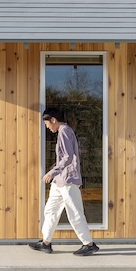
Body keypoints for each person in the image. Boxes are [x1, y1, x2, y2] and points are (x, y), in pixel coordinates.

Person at [29, 108, 100, 256]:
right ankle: (46, 242)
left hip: (68, 180)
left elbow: (68, 157)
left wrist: (52, 172)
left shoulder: (65, 131)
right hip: (59, 181)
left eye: (47, 124)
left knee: (75, 212)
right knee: (51, 210)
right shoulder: (63, 131)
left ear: (53, 120)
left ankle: (89, 244)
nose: (47, 127)